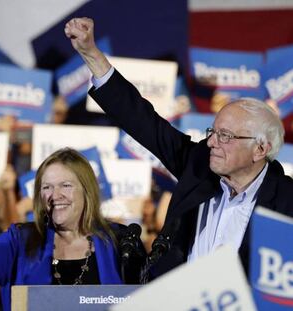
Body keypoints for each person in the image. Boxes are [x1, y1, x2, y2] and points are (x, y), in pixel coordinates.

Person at [64, 17, 293, 278]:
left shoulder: (286, 201)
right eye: (213, 132)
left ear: (260, 149)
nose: (212, 142)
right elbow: (142, 121)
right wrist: (91, 54)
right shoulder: (197, 167)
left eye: (226, 135)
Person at [0, 148, 145, 311]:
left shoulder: (120, 242)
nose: (54, 195)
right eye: (46, 187)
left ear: (87, 191)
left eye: (65, 185)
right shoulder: (20, 242)